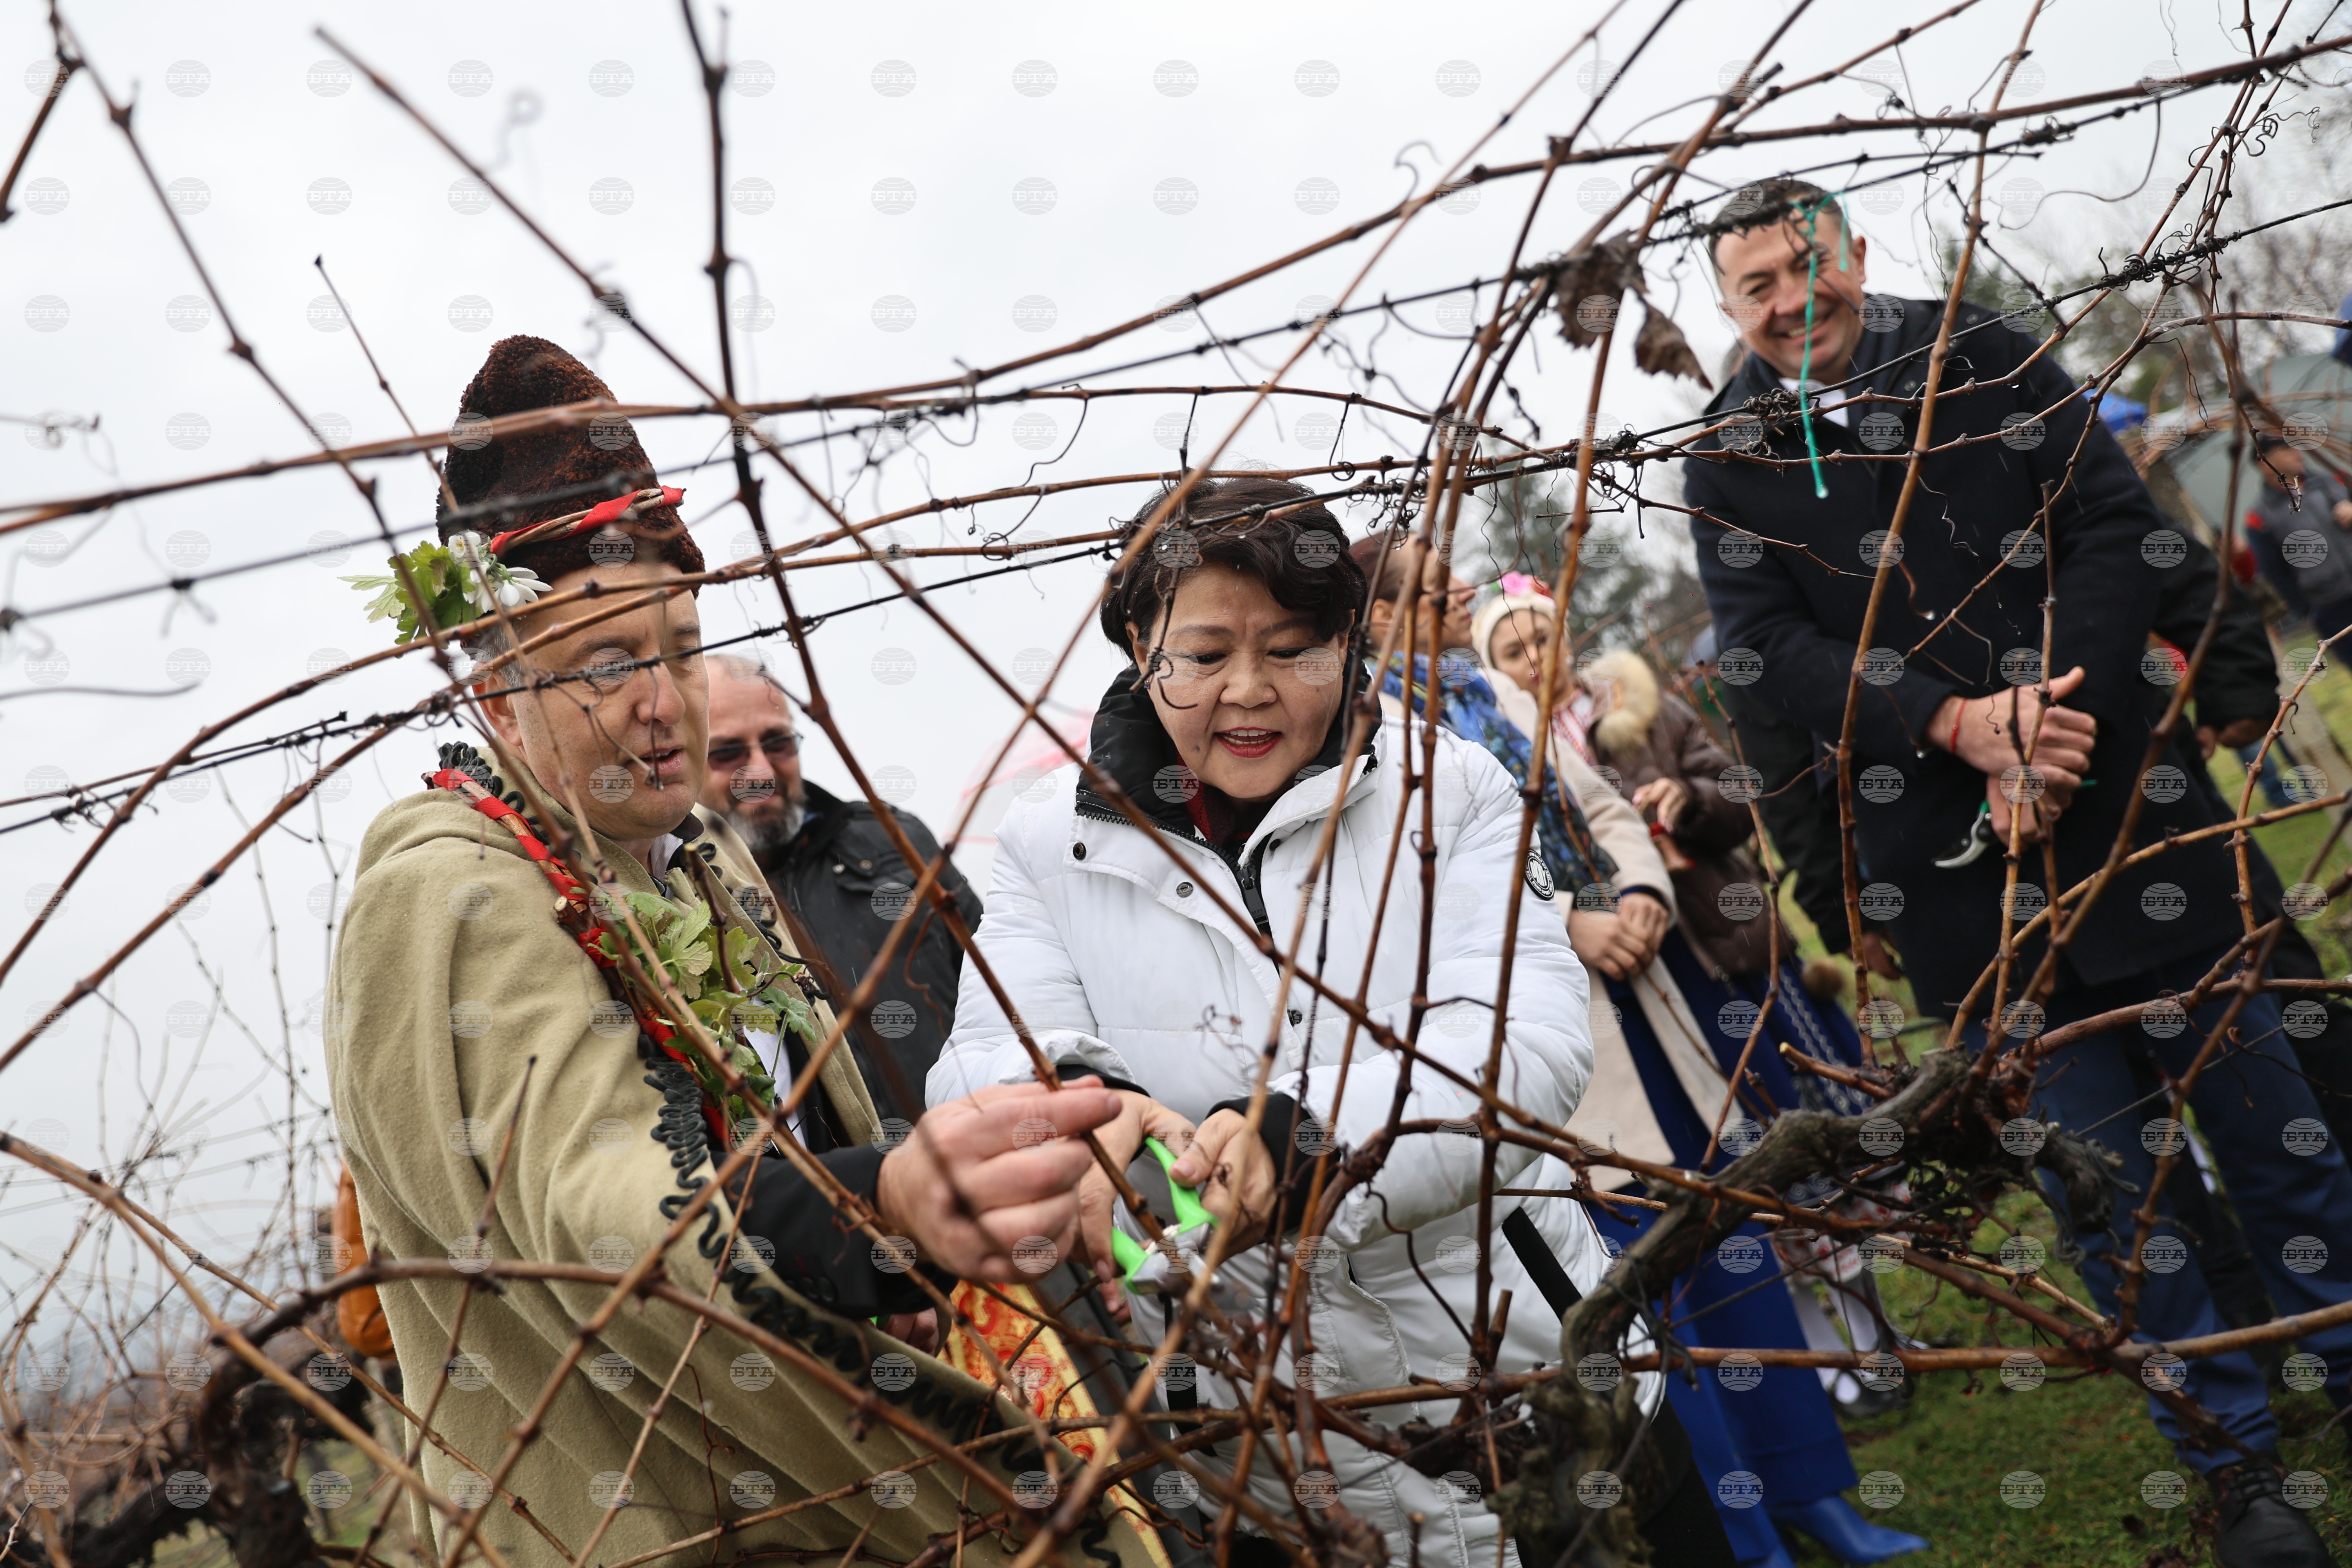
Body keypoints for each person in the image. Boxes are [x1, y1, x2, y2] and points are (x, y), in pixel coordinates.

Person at [326, 336, 1154, 1568]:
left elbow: (820, 1111)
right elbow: (586, 1204)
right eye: (607, 662)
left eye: (677, 643)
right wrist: (871, 1209)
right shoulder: (446, 893)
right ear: (495, 686)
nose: (666, 698)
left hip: (828, 1477)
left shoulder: (702, 856)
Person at [1683, 178, 2352, 1568]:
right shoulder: (1726, 457)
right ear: (1729, 306)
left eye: (1813, 266)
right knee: (2115, 1201)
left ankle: (2339, 1364)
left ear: (1857, 254)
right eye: (1760, 287)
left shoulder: (1980, 355)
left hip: (2136, 814)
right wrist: (1950, 728)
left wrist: (2059, 714)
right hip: (1958, 887)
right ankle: (2232, 1465)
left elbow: (2112, 526)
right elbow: (1768, 661)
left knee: (2280, 1132)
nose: (1796, 301)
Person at [933, 478, 1735, 1568]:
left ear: (1350, 638)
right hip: (1276, 1446)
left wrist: (1300, 1144)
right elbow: (998, 1052)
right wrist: (1075, 1118)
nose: (1250, 694)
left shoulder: (1449, 791)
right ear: (1136, 642)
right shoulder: (1044, 848)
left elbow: (1526, 1043)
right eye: (1206, 656)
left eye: (1298, 648)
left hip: (1536, 1370)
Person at [1460, 582, 1921, 1567]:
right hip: (1566, 1036)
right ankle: (1747, 1534)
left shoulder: (1489, 704)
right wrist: (1564, 920)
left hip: (1653, 1000)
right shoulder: (1390, 740)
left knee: (1733, 1241)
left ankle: (1815, 1488)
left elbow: (1599, 808)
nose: (1446, 595)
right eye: (1424, 591)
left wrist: (1632, 887)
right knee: (1653, 1296)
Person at [697, 654, 983, 1122]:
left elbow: (1003, 982)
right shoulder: (681, 894)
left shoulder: (894, 838)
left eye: (779, 743)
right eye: (727, 753)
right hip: (833, 1188)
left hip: (980, 1157)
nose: (761, 771)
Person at [2245, 433, 2352, 644]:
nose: (2298, 455)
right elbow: (2274, 571)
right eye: (2286, 450)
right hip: (2333, 609)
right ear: (2264, 463)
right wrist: (2307, 611)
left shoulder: (2336, 481)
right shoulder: (2260, 518)